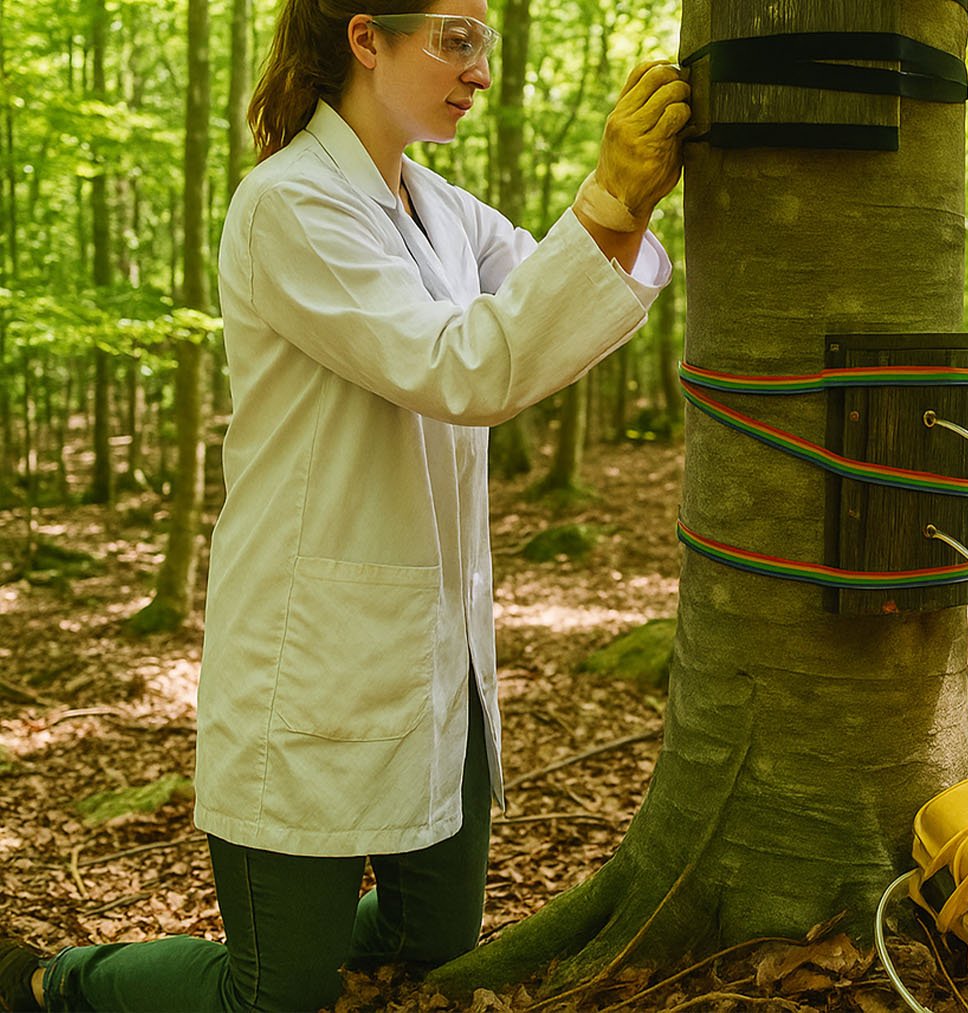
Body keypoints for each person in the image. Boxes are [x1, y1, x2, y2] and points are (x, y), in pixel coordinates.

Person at [0, 1, 687, 1010]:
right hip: (308, 649)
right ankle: (50, 980)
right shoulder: (289, 205)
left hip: (434, 646)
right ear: (367, 39)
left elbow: (557, 287)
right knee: (270, 995)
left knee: (434, 937)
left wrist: (637, 197)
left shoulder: (444, 211)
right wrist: (609, 194)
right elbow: (468, 368)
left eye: (484, 42)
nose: (480, 69)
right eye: (456, 38)